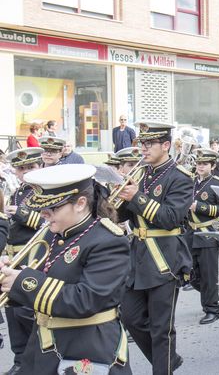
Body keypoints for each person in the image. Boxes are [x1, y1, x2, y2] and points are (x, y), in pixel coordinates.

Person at [0, 164, 132, 374]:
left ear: (80, 203)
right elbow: (36, 284)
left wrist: (24, 282)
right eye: (42, 208)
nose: (43, 214)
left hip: (86, 348)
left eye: (52, 208)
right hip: (43, 345)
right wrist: (8, 278)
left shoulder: (109, 241)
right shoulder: (52, 233)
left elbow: (86, 299)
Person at [116, 121, 193, 374]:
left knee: (162, 329)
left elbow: (171, 217)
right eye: (142, 143)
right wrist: (114, 198)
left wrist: (136, 197)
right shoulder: (140, 174)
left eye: (149, 144)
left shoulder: (180, 177)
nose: (144, 149)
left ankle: (163, 368)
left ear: (166, 145)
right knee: (130, 317)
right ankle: (168, 359)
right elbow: (123, 215)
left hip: (165, 258)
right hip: (137, 257)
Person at [2, 147, 45, 375]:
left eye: (30, 167)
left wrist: (20, 213)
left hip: (34, 257)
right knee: (12, 311)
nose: (25, 172)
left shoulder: (46, 190)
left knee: (27, 311)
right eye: (20, 168)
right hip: (13, 255)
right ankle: (20, 359)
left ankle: (37, 357)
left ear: (40, 166)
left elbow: (48, 223)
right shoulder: (18, 191)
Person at [185, 148, 219, 325]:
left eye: (204, 164)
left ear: (213, 165)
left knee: (209, 274)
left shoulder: (218, 183)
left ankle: (212, 308)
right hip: (190, 233)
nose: (200, 166)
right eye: (198, 163)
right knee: (190, 274)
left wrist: (200, 207)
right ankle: (209, 293)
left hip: (208, 234)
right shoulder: (190, 182)